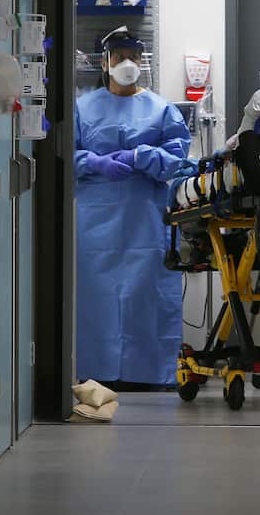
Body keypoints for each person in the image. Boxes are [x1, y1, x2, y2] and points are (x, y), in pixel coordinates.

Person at [74, 29, 191, 389]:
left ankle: (149, 373)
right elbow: (62, 155)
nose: (127, 63)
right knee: (98, 298)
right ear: (105, 62)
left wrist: (142, 155)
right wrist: (92, 162)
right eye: (119, 55)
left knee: (145, 297)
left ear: (142, 61)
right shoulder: (81, 107)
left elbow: (177, 160)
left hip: (146, 220)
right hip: (94, 223)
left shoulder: (161, 109)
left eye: (133, 56)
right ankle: (97, 370)